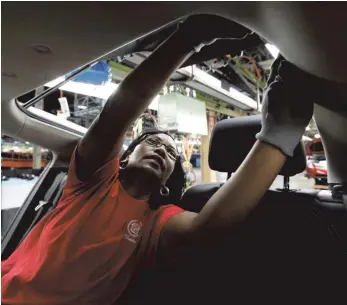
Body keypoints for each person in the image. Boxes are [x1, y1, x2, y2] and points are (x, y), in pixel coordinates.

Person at [2, 15, 313, 305]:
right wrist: (189, 38)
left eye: (171, 155)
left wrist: (278, 136)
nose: (162, 151)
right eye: (152, 142)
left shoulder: (155, 222)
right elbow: (118, 113)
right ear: (122, 161)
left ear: (166, 186)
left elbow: (207, 227)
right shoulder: (89, 184)